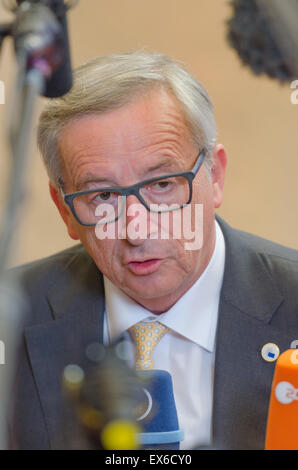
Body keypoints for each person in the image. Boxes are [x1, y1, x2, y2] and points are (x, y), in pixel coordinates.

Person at [7, 51, 298, 450]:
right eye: (103, 195)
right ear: (65, 210)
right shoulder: (10, 318)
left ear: (214, 177)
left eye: (162, 185)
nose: (136, 229)